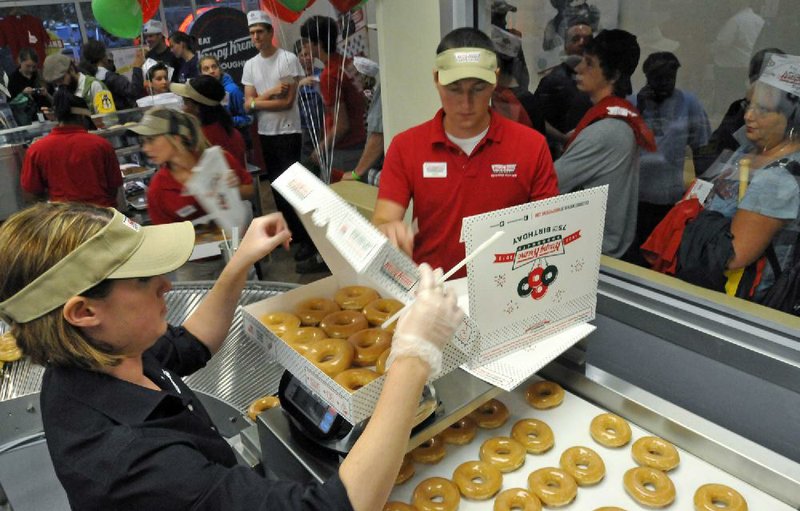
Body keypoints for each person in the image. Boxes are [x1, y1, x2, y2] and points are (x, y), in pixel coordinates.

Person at [0, 199, 463, 511]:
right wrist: (414, 356)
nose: (168, 283)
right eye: (144, 280)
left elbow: (190, 345)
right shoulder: (139, 467)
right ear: (83, 311)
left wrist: (240, 263)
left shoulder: (95, 363)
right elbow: (335, 506)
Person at [374, 27, 559, 279]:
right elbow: (384, 217)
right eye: (454, 88)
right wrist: (388, 229)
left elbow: (548, 229)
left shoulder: (531, 146)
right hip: (433, 289)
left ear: (495, 79)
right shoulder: (406, 147)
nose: (466, 103)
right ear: (436, 79)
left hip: (508, 289)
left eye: (478, 88)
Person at [679, 72, 800, 302]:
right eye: (749, 105)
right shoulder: (748, 149)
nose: (748, 116)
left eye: (763, 109)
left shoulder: (777, 180)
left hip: (736, 301)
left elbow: (732, 256)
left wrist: (688, 223)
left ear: (792, 118)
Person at [554, 29, 656, 258]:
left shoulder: (607, 130)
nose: (579, 68)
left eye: (589, 64)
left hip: (595, 252)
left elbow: (551, 182)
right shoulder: (617, 118)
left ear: (613, 75)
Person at [242, 11, 321, 273]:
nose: (255, 37)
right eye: (252, 33)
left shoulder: (286, 60)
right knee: (276, 188)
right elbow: (247, 104)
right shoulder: (250, 65)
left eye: (260, 32)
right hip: (266, 133)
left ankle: (309, 239)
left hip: (288, 131)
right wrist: (268, 94)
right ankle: (292, 233)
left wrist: (257, 101)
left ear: (269, 32)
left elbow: (286, 103)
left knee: (295, 188)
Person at [628, 52, 711, 262]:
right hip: (636, 197)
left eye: (669, 78)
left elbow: (703, 148)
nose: (665, 83)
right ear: (647, 77)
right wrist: (639, 109)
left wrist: (704, 192)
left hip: (670, 199)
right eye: (658, 78)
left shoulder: (688, 103)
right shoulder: (634, 103)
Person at [132, 107, 253, 227]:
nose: (145, 149)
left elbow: (250, 190)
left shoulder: (217, 160)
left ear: (176, 137)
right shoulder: (158, 189)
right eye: (143, 142)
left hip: (237, 240)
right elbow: (164, 236)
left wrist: (233, 189)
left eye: (151, 140)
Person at [20, 87, 123, 209]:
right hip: (102, 217)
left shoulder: (36, 150)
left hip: (64, 220)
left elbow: (31, 192)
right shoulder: (101, 145)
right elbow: (114, 186)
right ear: (82, 118)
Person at [300, 16, 367, 171]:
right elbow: (362, 100)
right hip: (359, 142)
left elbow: (342, 126)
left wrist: (319, 150)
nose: (305, 47)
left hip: (344, 150)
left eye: (307, 41)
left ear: (316, 43)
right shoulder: (346, 62)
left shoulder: (329, 74)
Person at [533, 18, 594, 157]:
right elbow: (537, 118)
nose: (582, 43)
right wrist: (563, 138)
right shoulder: (552, 80)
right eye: (576, 39)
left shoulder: (601, 80)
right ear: (566, 45)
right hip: (561, 155)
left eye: (588, 39)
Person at [172, 75, 247, 168]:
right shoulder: (233, 133)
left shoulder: (198, 141)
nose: (182, 108)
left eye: (185, 103)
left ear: (197, 108)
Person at [79, 40, 144, 110]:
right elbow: (134, 91)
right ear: (103, 57)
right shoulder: (110, 78)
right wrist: (137, 67)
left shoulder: (87, 78)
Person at [42, 53, 111, 115]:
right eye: (55, 82)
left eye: (61, 79)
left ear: (71, 70)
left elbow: (108, 119)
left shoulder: (94, 86)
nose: (59, 85)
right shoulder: (64, 91)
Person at [199, 54, 251, 133]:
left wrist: (225, 121)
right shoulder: (202, 92)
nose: (211, 71)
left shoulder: (233, 90)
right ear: (201, 73)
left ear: (219, 69)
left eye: (214, 67)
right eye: (206, 69)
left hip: (236, 136)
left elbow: (247, 118)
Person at [292, 39, 324, 164]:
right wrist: (300, 84)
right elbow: (288, 100)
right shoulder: (293, 77)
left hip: (322, 126)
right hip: (303, 128)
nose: (308, 58)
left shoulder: (322, 73)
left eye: (310, 54)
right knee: (306, 162)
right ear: (297, 58)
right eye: (303, 55)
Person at [7, 47, 51, 112]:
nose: (31, 69)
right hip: (24, 118)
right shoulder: (11, 79)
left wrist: (47, 94)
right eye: (27, 66)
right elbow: (9, 105)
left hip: (46, 117)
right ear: (20, 61)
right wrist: (22, 95)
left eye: (34, 66)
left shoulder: (41, 76)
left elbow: (54, 101)